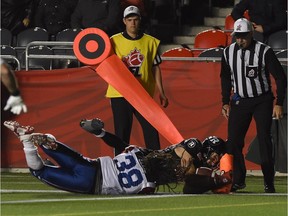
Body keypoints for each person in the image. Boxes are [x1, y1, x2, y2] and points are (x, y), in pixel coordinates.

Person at [3, 118, 231, 195]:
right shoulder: (185, 161)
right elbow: (189, 160)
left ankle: (31, 139)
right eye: (214, 155)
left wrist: (101, 133)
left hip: (95, 166)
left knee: (49, 149)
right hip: (96, 184)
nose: (214, 159)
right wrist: (214, 180)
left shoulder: (141, 153)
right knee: (38, 169)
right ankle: (28, 142)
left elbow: (122, 145)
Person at [220, 18, 287, 193]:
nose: (240, 40)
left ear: (251, 33)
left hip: (262, 100)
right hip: (240, 100)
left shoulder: (264, 51)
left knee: (264, 139)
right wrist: (225, 102)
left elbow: (280, 77)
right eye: (237, 36)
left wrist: (279, 102)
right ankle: (239, 180)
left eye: (243, 36)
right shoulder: (228, 52)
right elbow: (225, 78)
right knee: (233, 142)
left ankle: (268, 181)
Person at [106, 6, 169, 155]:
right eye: (129, 20)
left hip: (143, 92)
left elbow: (155, 67)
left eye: (135, 19)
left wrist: (162, 91)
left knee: (151, 129)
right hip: (120, 92)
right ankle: (120, 164)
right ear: (124, 21)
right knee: (122, 131)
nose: (132, 23)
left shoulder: (150, 42)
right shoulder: (113, 41)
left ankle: (156, 164)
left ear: (140, 20)